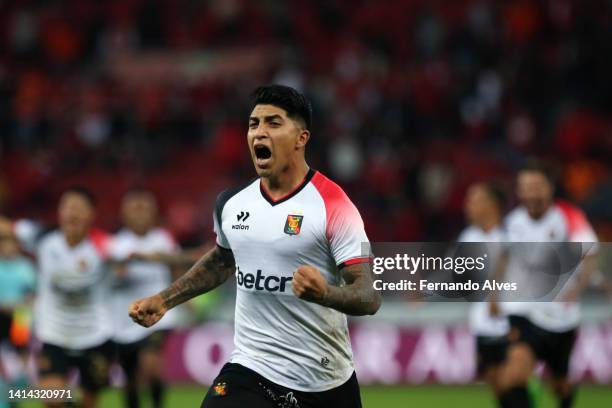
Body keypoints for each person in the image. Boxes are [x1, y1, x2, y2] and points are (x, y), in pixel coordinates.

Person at [129, 84, 381, 408]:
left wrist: (326, 294)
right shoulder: (231, 203)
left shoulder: (334, 206)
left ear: (301, 138)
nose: (259, 133)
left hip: (322, 381)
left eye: (273, 123)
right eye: (253, 124)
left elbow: (369, 295)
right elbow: (222, 261)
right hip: (251, 369)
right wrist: (165, 300)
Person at [493, 161, 598, 408]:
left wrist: (576, 289)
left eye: (536, 186)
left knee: (559, 383)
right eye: (526, 187)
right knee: (514, 375)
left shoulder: (568, 216)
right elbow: (503, 258)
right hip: (523, 311)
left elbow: (590, 253)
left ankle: (564, 394)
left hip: (561, 315)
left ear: (549, 188)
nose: (531, 193)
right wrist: (494, 295)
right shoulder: (512, 222)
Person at [2, 187, 114, 408]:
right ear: (59, 212)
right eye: (67, 206)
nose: (72, 213)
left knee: (88, 402)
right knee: (53, 399)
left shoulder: (106, 246)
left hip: (96, 335)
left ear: (91, 214)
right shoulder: (42, 237)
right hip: (54, 335)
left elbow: (141, 256)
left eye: (79, 208)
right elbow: (7, 227)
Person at [108, 188, 179, 408]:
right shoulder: (115, 244)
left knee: (151, 367)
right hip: (125, 318)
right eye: (135, 209)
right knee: (131, 380)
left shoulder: (163, 240)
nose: (140, 215)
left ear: (153, 213)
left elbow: (177, 271)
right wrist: (119, 269)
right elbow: (110, 277)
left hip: (158, 315)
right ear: (124, 214)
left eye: (144, 209)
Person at [458, 183, 509, 398]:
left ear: (493, 205)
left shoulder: (510, 235)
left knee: (512, 379)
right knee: (495, 382)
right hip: (483, 320)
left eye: (475, 200)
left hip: (512, 319)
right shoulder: (468, 236)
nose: (468, 206)